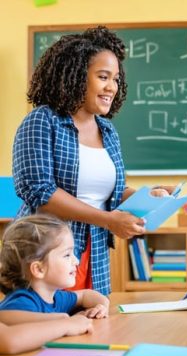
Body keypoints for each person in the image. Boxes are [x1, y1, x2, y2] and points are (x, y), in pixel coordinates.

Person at [12, 26, 169, 295]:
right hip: (46, 254)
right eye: (103, 76)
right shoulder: (42, 121)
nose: (112, 87)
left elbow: (109, 193)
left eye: (116, 79)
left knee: (92, 327)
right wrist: (108, 220)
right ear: (74, 76)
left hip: (92, 255)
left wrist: (147, 197)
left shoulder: (107, 131)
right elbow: (40, 191)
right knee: (45, 329)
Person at [0, 214, 110, 320]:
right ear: (38, 269)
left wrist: (102, 306)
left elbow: (86, 295)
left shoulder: (55, 297)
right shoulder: (22, 303)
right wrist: (67, 321)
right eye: (67, 255)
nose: (76, 261)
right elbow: (4, 318)